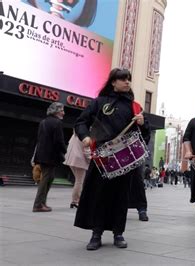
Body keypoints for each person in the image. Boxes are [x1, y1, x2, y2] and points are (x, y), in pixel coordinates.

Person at [73, 68, 150, 250]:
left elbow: (143, 135)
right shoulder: (99, 102)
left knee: (121, 196)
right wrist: (85, 137)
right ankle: (96, 233)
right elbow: (81, 122)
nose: (127, 82)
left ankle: (118, 233)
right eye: (123, 79)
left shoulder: (135, 106)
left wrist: (142, 123)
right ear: (113, 82)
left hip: (124, 160)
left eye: (129, 79)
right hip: (102, 158)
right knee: (99, 195)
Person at [32, 102, 67, 212]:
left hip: (42, 155)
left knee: (48, 178)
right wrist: (65, 151)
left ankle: (42, 203)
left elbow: (39, 140)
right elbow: (59, 141)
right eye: (61, 110)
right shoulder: (57, 123)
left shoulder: (43, 122)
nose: (63, 113)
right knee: (46, 179)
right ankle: (38, 204)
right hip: (50, 156)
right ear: (56, 111)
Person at [64, 133, 91, 209]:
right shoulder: (85, 134)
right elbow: (87, 149)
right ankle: (76, 201)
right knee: (79, 181)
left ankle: (76, 200)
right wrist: (91, 159)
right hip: (80, 160)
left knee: (78, 181)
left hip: (71, 158)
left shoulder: (75, 133)